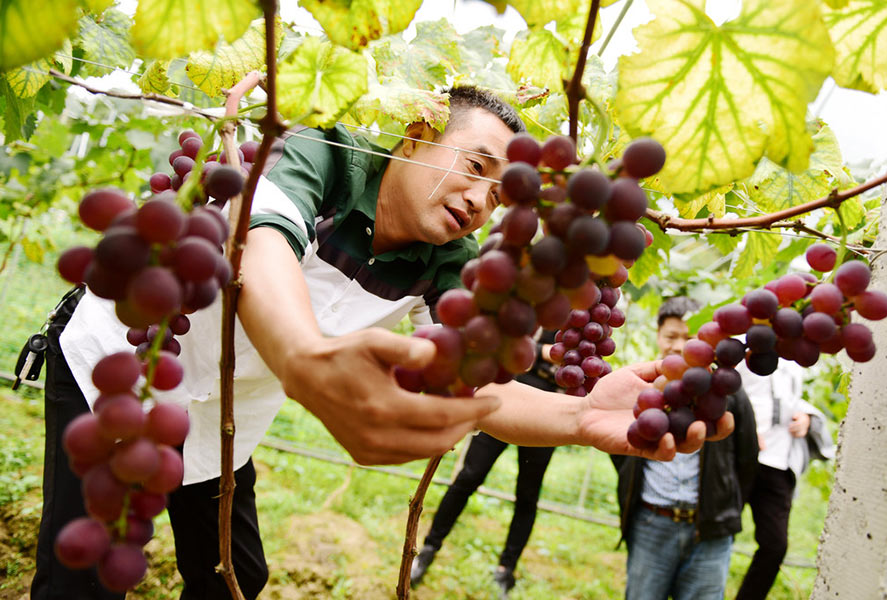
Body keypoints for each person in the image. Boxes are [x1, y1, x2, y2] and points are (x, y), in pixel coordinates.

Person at [32, 87, 732, 600]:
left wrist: (579, 418)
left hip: (225, 421)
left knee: (234, 577)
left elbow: (471, 382)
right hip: (119, 373)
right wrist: (306, 361)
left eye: (498, 193)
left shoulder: (449, 260)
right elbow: (260, 241)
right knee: (83, 582)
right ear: (418, 133)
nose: (481, 200)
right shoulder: (323, 151)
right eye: (475, 167)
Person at [610, 296, 759, 600]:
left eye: (689, 338)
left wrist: (723, 508)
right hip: (651, 522)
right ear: (657, 336)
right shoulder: (643, 388)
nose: (679, 346)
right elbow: (623, 447)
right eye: (671, 336)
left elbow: (747, 459)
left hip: (711, 531)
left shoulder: (727, 393)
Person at [410, 329, 559, 597]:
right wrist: (543, 352)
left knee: (527, 494)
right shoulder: (546, 294)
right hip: (504, 398)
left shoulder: (589, 314)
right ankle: (428, 549)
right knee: (468, 477)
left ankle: (506, 570)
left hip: (550, 412)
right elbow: (507, 341)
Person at [735, 359, 834, 600]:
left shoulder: (794, 357)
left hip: (779, 464)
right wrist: (745, 429)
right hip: (740, 460)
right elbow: (725, 393)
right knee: (719, 533)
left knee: (775, 546)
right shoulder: (739, 346)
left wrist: (807, 418)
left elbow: (790, 399)